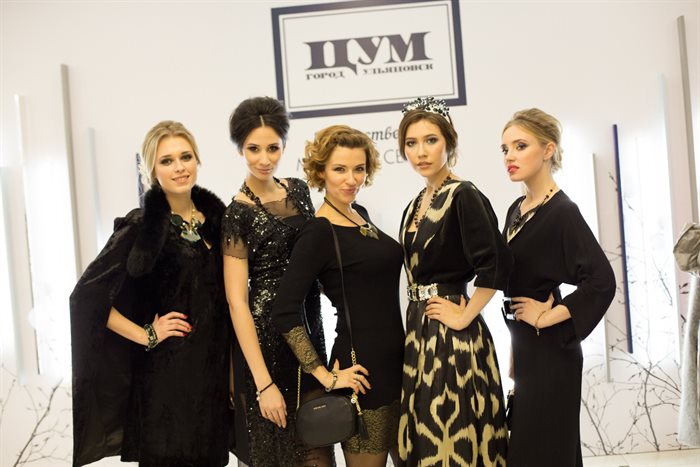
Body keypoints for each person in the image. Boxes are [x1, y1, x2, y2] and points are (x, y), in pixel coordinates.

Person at [70, 120, 231, 467]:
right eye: (167, 161)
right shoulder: (142, 226)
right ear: (152, 170)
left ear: (197, 159)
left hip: (212, 384)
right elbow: (86, 298)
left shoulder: (218, 221)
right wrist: (147, 335)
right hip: (165, 385)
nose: (179, 167)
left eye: (185, 156)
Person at [271, 125, 405, 467]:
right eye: (340, 169)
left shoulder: (361, 216)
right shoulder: (318, 231)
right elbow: (284, 311)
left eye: (358, 169)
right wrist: (325, 375)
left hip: (401, 368)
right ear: (321, 172)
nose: (351, 179)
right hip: (363, 378)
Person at [397, 97, 512, 466]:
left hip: (453, 339)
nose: (420, 152)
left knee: (454, 440)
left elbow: (495, 265)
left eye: (430, 140)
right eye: (411, 143)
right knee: (426, 440)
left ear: (449, 142)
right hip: (420, 333)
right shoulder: (416, 202)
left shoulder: (464, 195)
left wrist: (464, 316)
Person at [500, 108, 616, 467]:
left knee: (546, 452)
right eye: (505, 149)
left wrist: (545, 317)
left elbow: (601, 280)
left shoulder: (563, 211)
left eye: (520, 146)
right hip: (527, 350)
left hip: (552, 352)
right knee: (533, 450)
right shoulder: (517, 209)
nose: (510, 156)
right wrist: (516, 350)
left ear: (548, 149)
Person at [221, 96, 329, 466]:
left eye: (273, 148)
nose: (264, 159)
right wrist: (263, 383)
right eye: (254, 149)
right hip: (264, 346)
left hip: (308, 333)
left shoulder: (299, 190)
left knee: (318, 449)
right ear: (240, 149)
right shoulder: (236, 214)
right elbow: (237, 302)